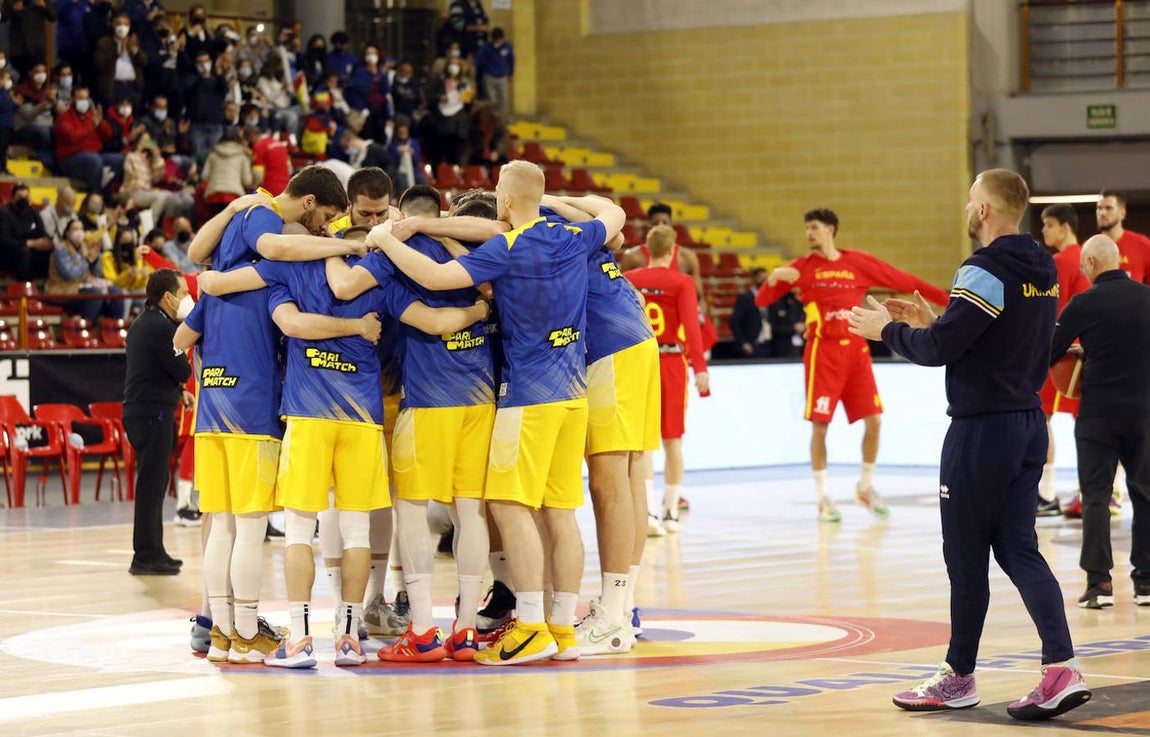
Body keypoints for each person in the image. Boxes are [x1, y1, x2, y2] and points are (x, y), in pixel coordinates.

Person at [849, 168, 1090, 720]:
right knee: (1019, 549)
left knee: (965, 556)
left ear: (983, 210)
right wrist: (934, 320)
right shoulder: (1042, 268)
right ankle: (1061, 668)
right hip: (1029, 423)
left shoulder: (982, 268)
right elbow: (984, 339)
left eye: (970, 199)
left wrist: (882, 330)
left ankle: (958, 677)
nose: (966, 206)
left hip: (982, 430)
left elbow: (939, 351)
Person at [368, 160, 626, 665]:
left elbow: (437, 277)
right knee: (560, 511)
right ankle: (561, 628)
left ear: (505, 203)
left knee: (509, 507)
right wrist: (428, 223)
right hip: (574, 393)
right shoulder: (575, 236)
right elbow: (613, 212)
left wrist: (387, 238)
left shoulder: (507, 250)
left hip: (528, 395)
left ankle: (529, 625)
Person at [175, 168, 366, 666]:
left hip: (212, 402)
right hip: (251, 405)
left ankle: (219, 632)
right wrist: (341, 249)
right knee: (251, 527)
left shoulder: (221, 280)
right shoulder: (270, 257)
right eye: (323, 220)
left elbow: (187, 317)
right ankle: (244, 633)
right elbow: (282, 260)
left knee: (221, 527)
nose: (325, 231)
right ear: (306, 205)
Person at [756, 208, 949, 522]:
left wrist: (945, 298)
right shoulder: (802, 267)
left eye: (814, 227)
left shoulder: (857, 262)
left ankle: (865, 487)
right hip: (823, 352)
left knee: (874, 421)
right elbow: (762, 301)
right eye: (806, 228)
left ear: (830, 229)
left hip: (856, 350)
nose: (809, 233)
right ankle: (823, 497)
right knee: (820, 425)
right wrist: (774, 277)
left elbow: (903, 279)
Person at [1049, 234, 1150, 610]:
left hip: (1098, 417)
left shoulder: (1083, 303)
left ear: (1091, 263)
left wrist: (1080, 351)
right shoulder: (1146, 297)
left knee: (1095, 498)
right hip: (1144, 413)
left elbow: (1049, 351)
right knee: (1145, 495)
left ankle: (1099, 583)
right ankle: (1146, 581)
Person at [626, 225, 709, 532]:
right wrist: (700, 367)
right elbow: (692, 325)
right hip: (673, 361)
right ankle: (671, 512)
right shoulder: (682, 281)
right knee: (673, 441)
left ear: (646, 249)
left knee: (644, 442)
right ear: (673, 250)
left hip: (641, 361)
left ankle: (647, 513)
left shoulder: (631, 279)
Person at [123, 268, 192, 575]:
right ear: (168, 297)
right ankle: (144, 556)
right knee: (152, 483)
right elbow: (181, 370)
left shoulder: (147, 322)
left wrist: (178, 393)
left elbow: (156, 369)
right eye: (182, 293)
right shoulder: (161, 328)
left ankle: (155, 550)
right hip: (152, 413)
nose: (186, 298)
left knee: (156, 481)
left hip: (145, 410)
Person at [1035, 204, 1090, 517]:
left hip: (1062, 354)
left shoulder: (1059, 262)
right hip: (1091, 351)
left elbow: (1048, 310)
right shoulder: (1091, 257)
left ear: (1065, 227)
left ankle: (1046, 493)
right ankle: (1099, 491)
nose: (1044, 231)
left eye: (1048, 225)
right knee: (1089, 424)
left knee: (1041, 418)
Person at [0, 181, 53, 280]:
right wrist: (27, 243)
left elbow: (42, 233)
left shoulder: (33, 212)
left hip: (32, 250)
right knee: (24, 252)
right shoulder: (4, 213)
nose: (23, 200)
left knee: (52, 250)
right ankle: (25, 285)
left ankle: (49, 283)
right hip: (10, 253)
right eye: (20, 197)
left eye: (26, 197)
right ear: (12, 199)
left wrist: (45, 242)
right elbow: (4, 241)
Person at [1095, 189, 1150, 285]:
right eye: (1099, 208)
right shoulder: (1089, 247)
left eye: (1108, 208)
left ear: (1122, 213)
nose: (1102, 213)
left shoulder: (1143, 245)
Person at [474, 27, 513, 117]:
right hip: (489, 76)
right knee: (492, 100)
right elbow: (478, 58)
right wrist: (474, 65)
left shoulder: (507, 47)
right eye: (496, 40)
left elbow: (511, 60)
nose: (497, 42)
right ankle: (494, 119)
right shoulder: (486, 47)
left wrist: (510, 73)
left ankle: (503, 119)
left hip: (502, 76)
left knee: (503, 98)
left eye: (499, 40)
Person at [731, 268, 769, 357]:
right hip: (752, 343)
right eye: (760, 278)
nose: (763, 281)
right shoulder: (745, 298)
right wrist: (743, 343)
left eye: (765, 278)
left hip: (768, 343)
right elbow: (735, 322)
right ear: (753, 279)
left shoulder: (770, 297)